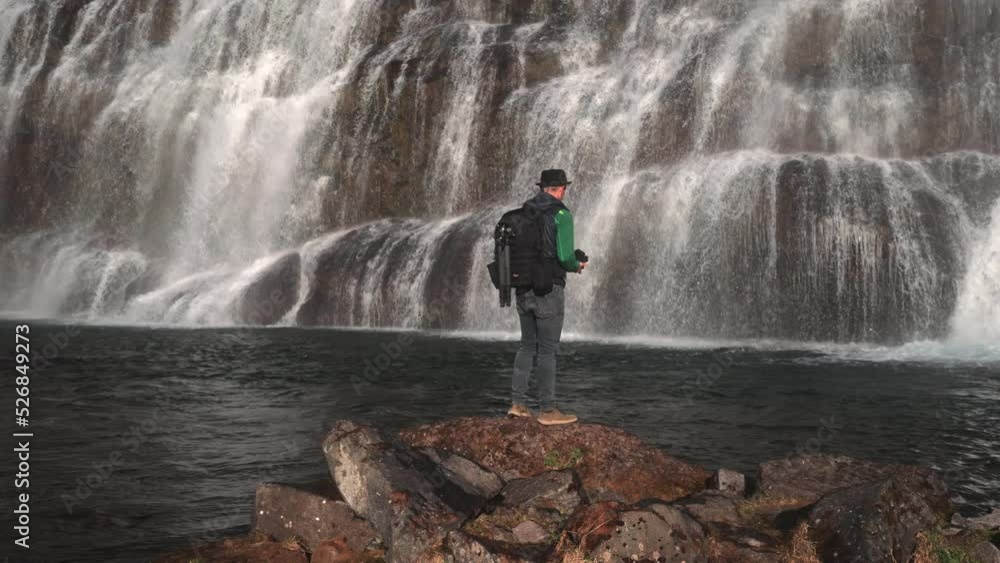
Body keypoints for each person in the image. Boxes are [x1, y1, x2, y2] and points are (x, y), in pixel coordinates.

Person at [508, 169, 587, 426]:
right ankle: (547, 410)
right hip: (548, 290)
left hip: (523, 289)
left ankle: (517, 404)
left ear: (542, 188)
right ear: (562, 189)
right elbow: (564, 257)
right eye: (564, 188)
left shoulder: (523, 213)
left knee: (526, 346)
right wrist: (577, 265)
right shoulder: (561, 214)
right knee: (548, 351)